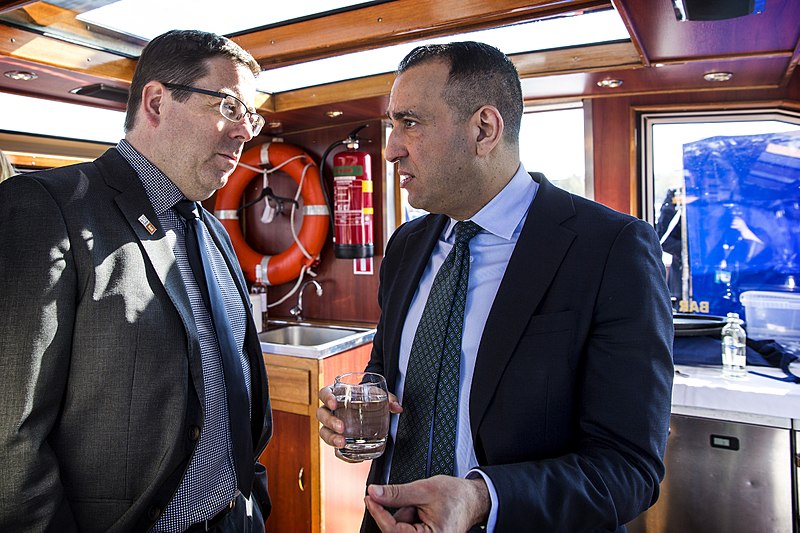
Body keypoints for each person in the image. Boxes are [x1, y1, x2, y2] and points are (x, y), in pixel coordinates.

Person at [317, 42, 674, 532]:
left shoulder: (611, 248)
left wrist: (483, 499)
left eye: (410, 123)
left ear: (484, 129)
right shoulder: (405, 245)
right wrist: (360, 412)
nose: (391, 148)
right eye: (391, 126)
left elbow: (628, 467)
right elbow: (386, 372)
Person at [0, 30, 272, 532]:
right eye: (231, 108)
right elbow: (10, 437)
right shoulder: (47, 207)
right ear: (156, 101)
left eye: (250, 117)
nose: (245, 132)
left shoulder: (211, 227)